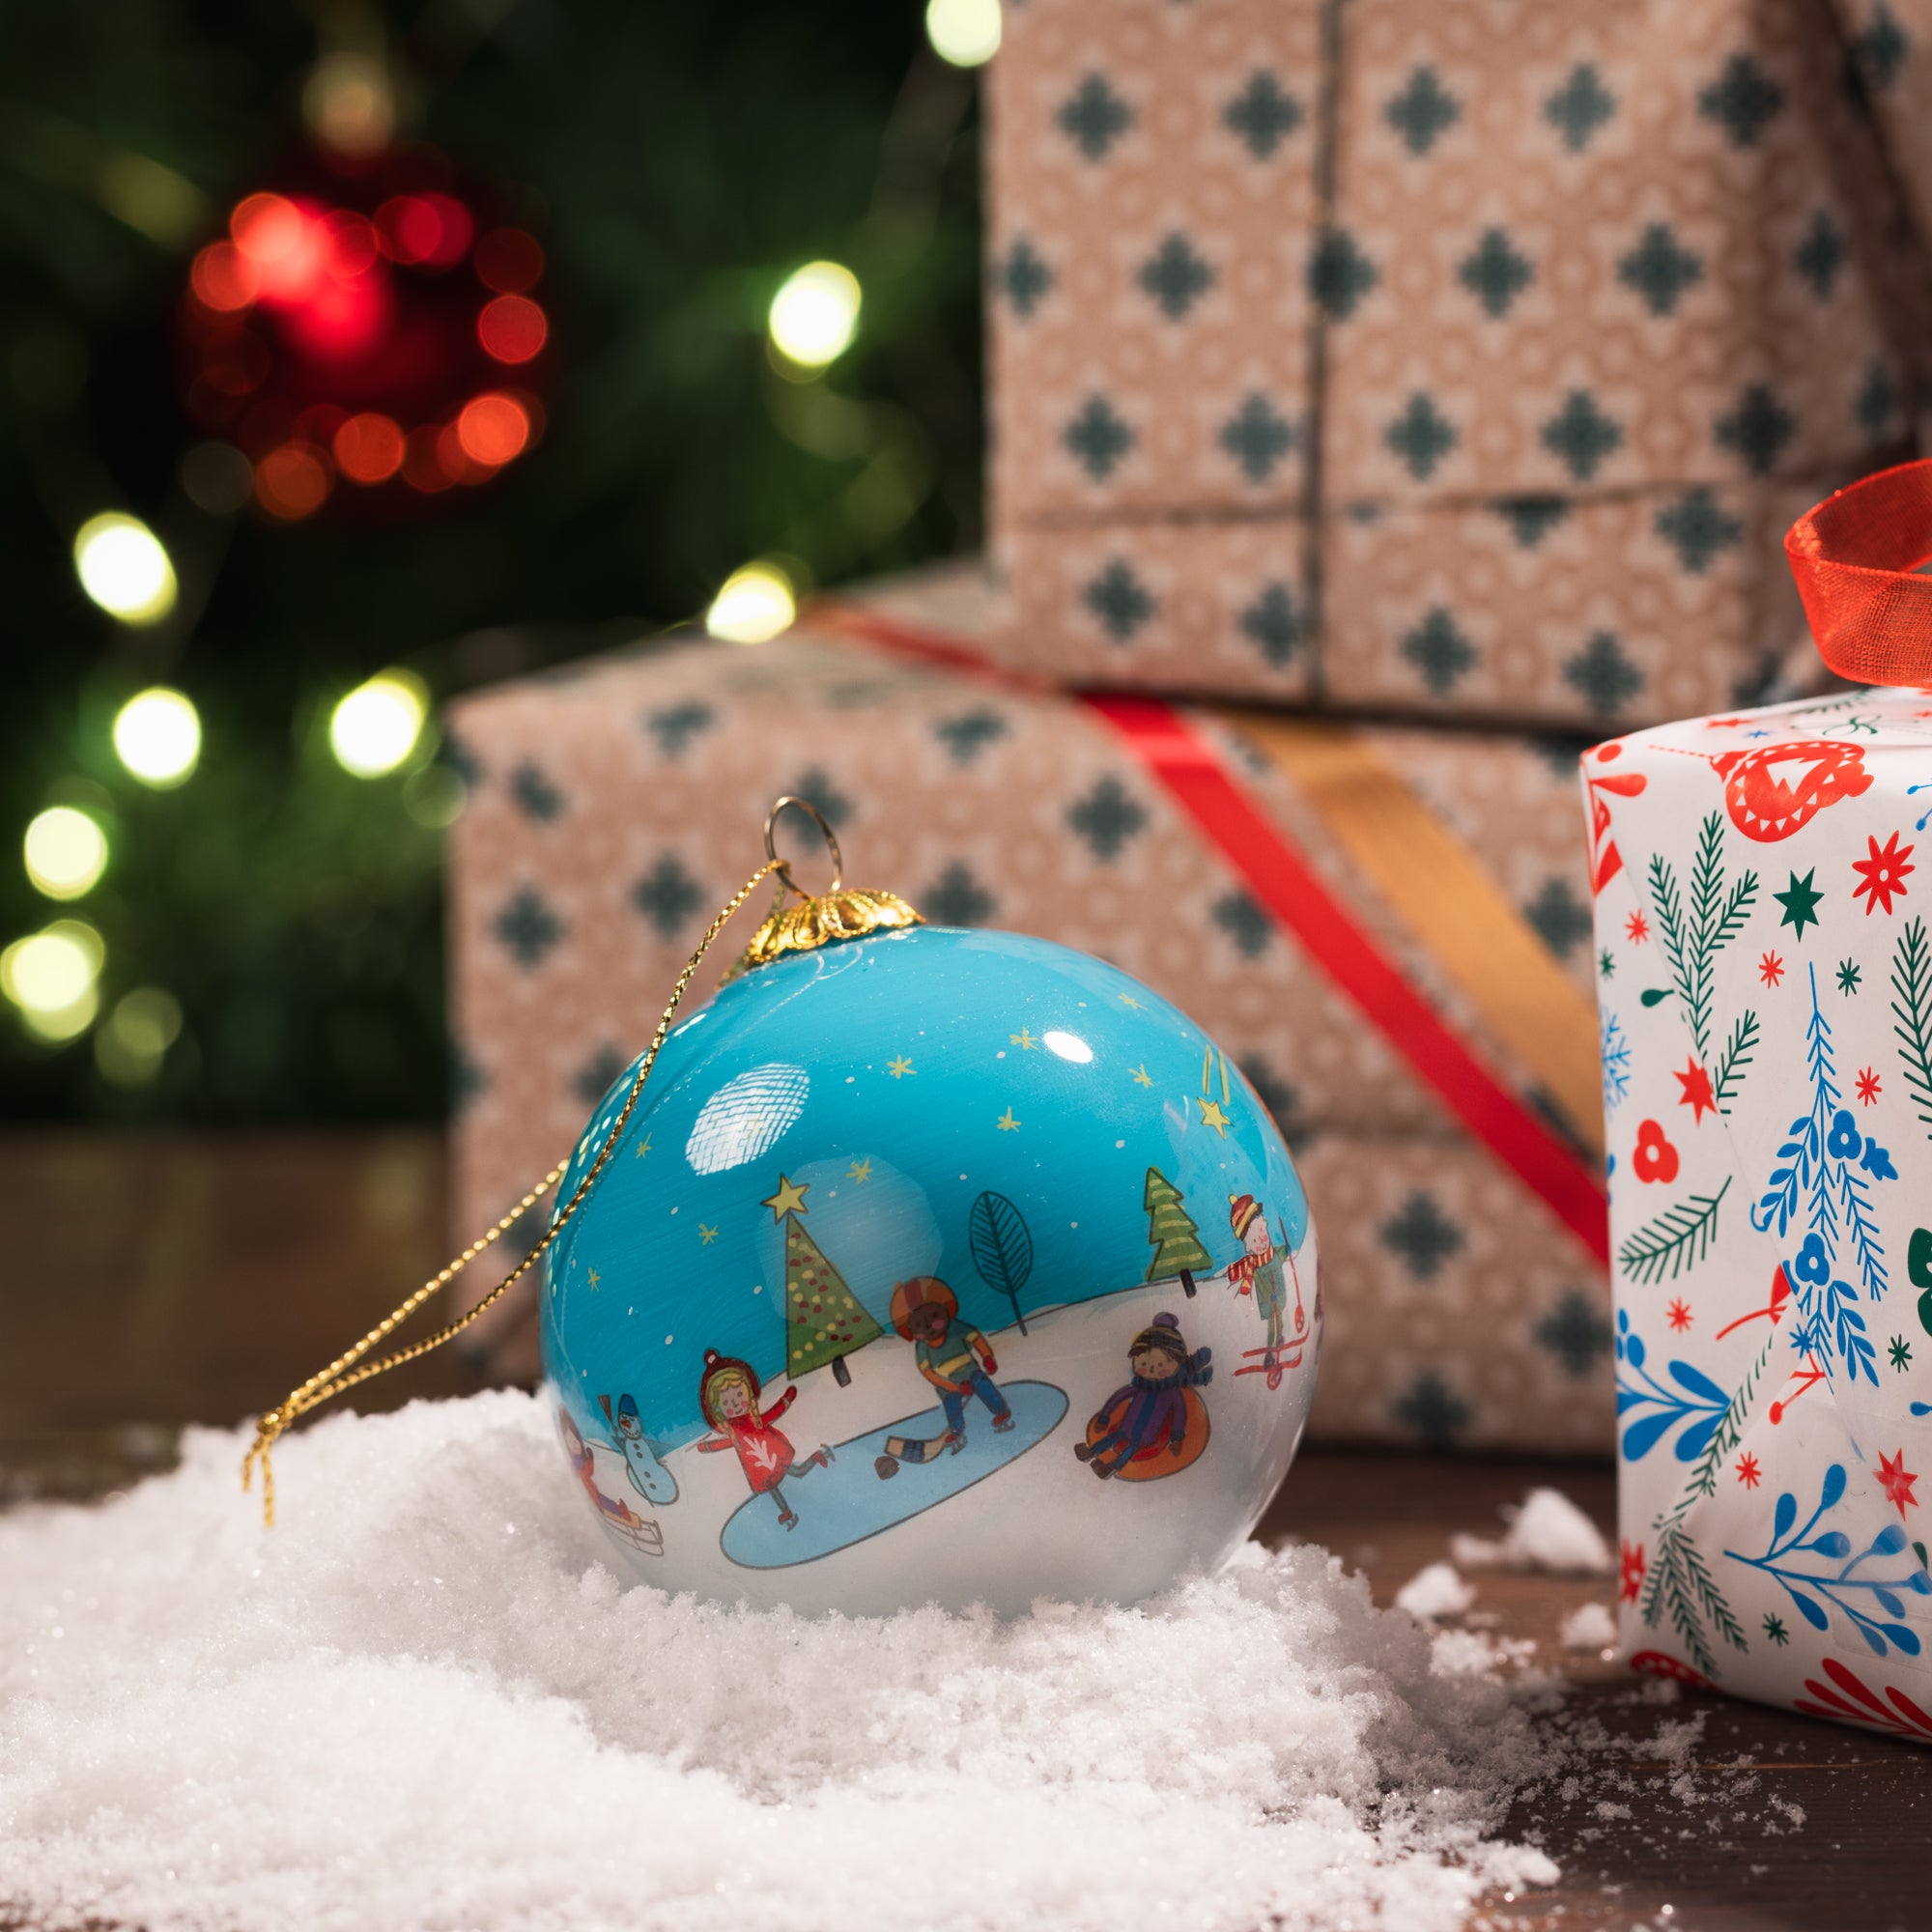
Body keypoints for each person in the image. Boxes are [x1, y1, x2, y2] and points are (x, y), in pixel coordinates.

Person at [695, 1350, 830, 1530]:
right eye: (726, 1403)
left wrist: (786, 1400)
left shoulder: (754, 1420)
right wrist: (708, 1447)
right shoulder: (733, 1432)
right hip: (758, 1467)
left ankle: (817, 1457)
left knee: (796, 1472)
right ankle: (786, 1511)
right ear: (718, 1410)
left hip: (774, 1453)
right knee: (772, 1488)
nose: (734, 1405)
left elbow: (772, 1414)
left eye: (738, 1397)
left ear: (748, 1395)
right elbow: (725, 1443)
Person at [1076, 1312, 1212, 1479]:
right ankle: (1091, 1452)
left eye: (1160, 1364)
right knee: (1114, 1437)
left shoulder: (1171, 1393)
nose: (1152, 1369)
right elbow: (1118, 1397)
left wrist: (1177, 1437)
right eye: (1144, 1363)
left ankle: (1111, 1467)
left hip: (1146, 1433)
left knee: (1130, 1448)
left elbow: (1179, 1414)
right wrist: (1104, 1416)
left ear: (1175, 1363)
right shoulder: (1139, 1386)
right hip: (1126, 1425)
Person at [889, 1275, 1013, 1453]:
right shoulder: (922, 1347)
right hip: (948, 1383)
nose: (931, 1329)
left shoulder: (954, 1328)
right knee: (951, 1401)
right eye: (922, 1327)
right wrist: (955, 1388)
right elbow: (929, 1374)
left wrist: (987, 1357)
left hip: (969, 1372)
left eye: (934, 1319)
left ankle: (1001, 1411)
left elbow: (976, 1338)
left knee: (981, 1382)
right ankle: (956, 1430)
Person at [1225, 1193, 1293, 1362]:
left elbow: (1281, 1255)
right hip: (1269, 1298)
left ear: (1265, 1225)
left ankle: (1281, 1336)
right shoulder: (1255, 1268)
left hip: (1279, 1295)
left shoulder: (1273, 1253)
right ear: (1248, 1245)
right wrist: (1269, 1295)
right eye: (1255, 1238)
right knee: (1271, 1322)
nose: (1262, 1238)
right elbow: (1260, 1284)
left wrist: (1286, 1250)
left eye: (1261, 1230)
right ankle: (1269, 1350)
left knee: (1280, 1318)